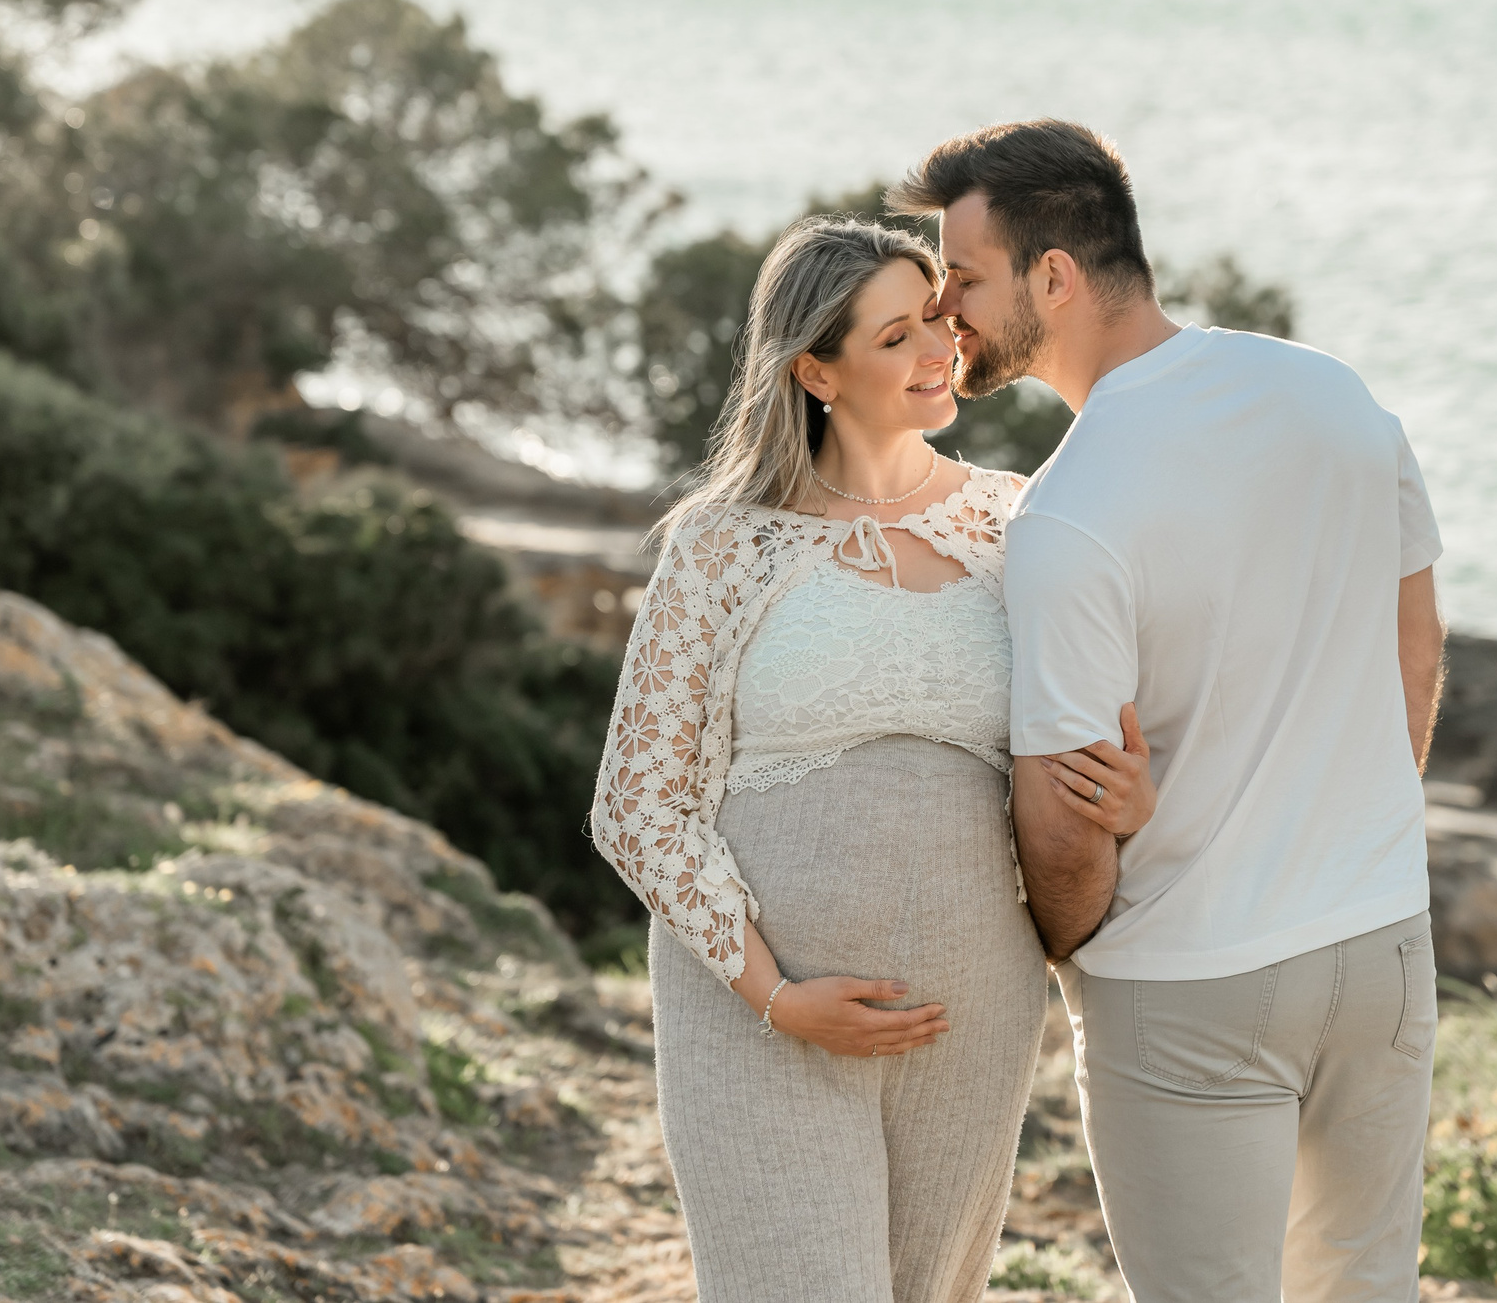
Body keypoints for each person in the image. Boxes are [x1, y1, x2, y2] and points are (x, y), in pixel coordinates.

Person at [889, 120, 1449, 1303]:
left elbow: (1061, 817)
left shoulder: (1069, 512)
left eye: (965, 278)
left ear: (1054, 276)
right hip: (1382, 941)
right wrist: (1350, 834)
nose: (945, 311)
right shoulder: (1331, 393)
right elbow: (1414, 645)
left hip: (1190, 981)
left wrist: (1078, 948)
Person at [588, 216, 1153, 1303]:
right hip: (760, 1016)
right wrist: (776, 996)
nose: (941, 349)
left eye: (936, 319)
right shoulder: (724, 542)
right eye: (896, 337)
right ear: (817, 370)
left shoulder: (1020, 521)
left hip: (973, 1012)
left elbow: (1098, 729)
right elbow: (638, 806)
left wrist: (1128, 798)